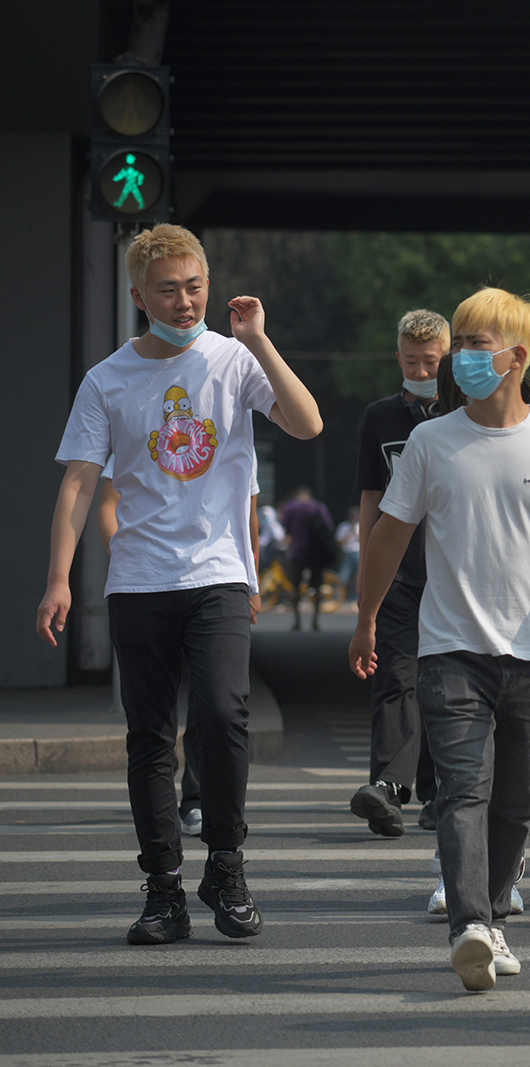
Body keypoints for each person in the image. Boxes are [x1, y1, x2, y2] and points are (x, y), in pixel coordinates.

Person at [40, 223, 322, 945]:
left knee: (226, 717)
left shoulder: (232, 360)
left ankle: (225, 866)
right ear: (139, 295)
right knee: (149, 736)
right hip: (139, 580)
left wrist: (259, 339)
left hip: (218, 573)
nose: (185, 299)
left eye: (194, 285)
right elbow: (77, 484)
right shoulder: (107, 379)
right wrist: (60, 579)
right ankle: (162, 887)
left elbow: (307, 422)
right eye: (168, 288)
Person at [351, 286, 530, 991]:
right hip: (452, 650)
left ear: (517, 356)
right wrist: (367, 616)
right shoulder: (430, 441)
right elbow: (388, 535)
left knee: (516, 802)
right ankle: (469, 922)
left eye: (478, 343)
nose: (463, 355)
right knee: (464, 792)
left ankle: (494, 916)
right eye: (462, 341)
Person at [98, 457, 264, 839]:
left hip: (218, 579)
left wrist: (251, 582)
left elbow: (247, 511)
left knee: (219, 707)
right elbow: (106, 505)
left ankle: (203, 810)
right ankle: (162, 874)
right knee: (152, 727)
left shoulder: (231, 412)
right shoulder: (131, 406)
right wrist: (126, 556)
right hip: (145, 583)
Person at [348, 309, 448, 840]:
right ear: (398, 358)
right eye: (411, 360)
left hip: (453, 568)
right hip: (398, 570)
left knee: (446, 679)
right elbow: (371, 497)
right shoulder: (379, 417)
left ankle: (437, 791)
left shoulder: (463, 412)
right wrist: (368, 566)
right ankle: (387, 787)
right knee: (395, 676)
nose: (420, 369)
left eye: (430, 362)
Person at [278, 486, 334, 631]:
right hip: (316, 553)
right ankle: (315, 621)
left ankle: (297, 621)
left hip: (297, 552)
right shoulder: (318, 507)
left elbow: (285, 527)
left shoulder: (291, 507)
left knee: (295, 587)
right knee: (317, 587)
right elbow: (328, 526)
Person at [335, 507, 361, 592]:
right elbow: (339, 542)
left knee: (358, 575)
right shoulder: (343, 526)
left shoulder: (361, 526)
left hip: (358, 552)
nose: (353, 518)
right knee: (343, 575)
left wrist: (356, 534)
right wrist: (349, 534)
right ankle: (337, 596)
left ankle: (356, 598)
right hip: (346, 552)